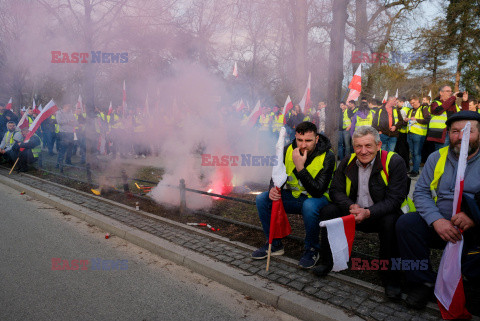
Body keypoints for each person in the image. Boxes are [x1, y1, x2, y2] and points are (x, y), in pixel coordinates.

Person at [396, 111, 480, 313]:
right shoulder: (436, 157)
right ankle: (423, 282)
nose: (460, 137)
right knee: (407, 224)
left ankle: (468, 283)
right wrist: (436, 221)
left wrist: (473, 216)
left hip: (474, 228)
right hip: (442, 225)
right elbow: (422, 192)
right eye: (455, 131)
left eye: (468, 131)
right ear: (448, 133)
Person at [314, 126, 408, 301]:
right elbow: (335, 191)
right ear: (353, 146)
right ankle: (327, 261)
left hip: (379, 214)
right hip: (354, 212)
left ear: (379, 145)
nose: (363, 151)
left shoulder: (394, 162)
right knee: (329, 210)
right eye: (358, 146)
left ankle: (390, 278)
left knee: (392, 222)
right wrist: (351, 206)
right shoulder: (347, 161)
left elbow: (395, 199)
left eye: (368, 146)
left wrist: (368, 212)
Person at [251, 121, 336, 269]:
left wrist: (300, 167)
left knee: (309, 206)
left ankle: (312, 249)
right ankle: (275, 244)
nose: (303, 145)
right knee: (262, 199)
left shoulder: (328, 156)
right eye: (300, 140)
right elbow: (276, 174)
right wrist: (272, 188)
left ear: (316, 139)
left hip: (318, 200)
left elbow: (317, 191)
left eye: (308, 140)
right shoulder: (287, 150)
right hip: (294, 197)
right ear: (295, 138)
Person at [427, 86, 466, 150]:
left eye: (451, 91)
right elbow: (438, 110)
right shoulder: (435, 103)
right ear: (441, 93)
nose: (450, 93)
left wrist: (465, 102)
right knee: (441, 155)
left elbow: (463, 115)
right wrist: (452, 98)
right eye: (448, 91)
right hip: (440, 135)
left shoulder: (453, 104)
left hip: (452, 133)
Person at [405, 96, 431, 177]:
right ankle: (414, 170)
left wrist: (416, 119)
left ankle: (415, 171)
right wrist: (406, 119)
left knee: (417, 153)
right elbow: (409, 121)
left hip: (419, 134)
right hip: (410, 133)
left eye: (413, 102)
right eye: (411, 103)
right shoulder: (410, 110)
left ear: (417, 101)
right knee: (412, 153)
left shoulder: (424, 108)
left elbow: (427, 120)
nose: (412, 104)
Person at [56, 104, 77, 168]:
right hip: (63, 133)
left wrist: (72, 122)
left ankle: (68, 161)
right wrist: (68, 121)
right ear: (64, 106)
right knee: (62, 149)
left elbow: (75, 122)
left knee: (70, 149)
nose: (69, 107)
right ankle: (59, 163)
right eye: (68, 106)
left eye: (69, 106)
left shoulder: (71, 113)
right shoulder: (59, 113)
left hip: (71, 133)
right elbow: (59, 121)